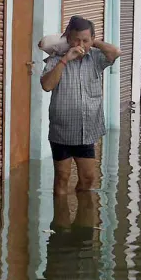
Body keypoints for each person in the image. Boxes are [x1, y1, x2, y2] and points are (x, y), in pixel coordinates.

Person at [39, 16, 120, 195]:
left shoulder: (96, 58)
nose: (80, 44)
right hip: (62, 130)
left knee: (88, 178)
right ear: (68, 38)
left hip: (87, 130)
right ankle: (60, 221)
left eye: (85, 40)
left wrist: (92, 43)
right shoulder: (55, 60)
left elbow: (115, 52)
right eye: (76, 39)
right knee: (62, 177)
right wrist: (66, 58)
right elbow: (46, 86)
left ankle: (83, 217)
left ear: (92, 39)